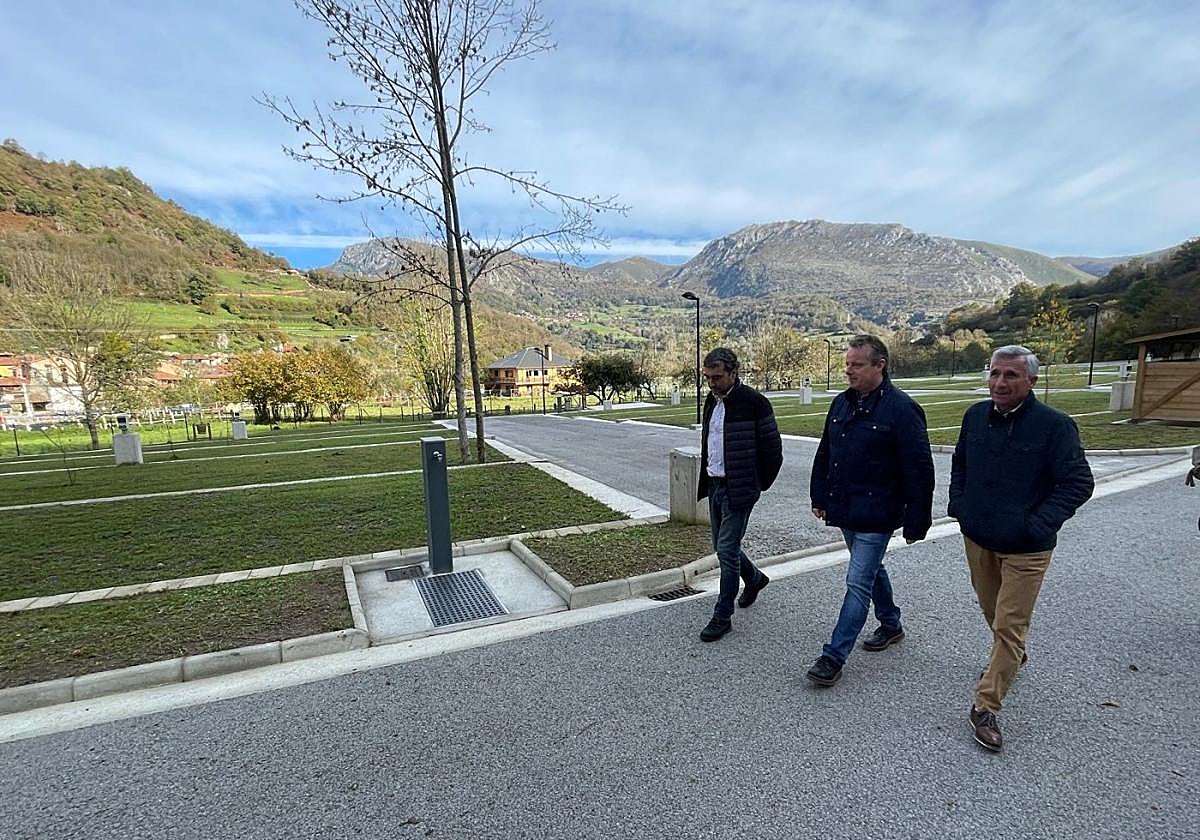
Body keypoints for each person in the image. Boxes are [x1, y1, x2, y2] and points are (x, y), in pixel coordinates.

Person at [949, 345, 1094, 752]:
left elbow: (1078, 483)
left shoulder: (1055, 426)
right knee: (991, 610)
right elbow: (960, 464)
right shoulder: (975, 416)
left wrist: (1038, 524)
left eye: (1011, 375)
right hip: (978, 537)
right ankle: (1011, 657)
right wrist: (959, 506)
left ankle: (985, 705)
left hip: (1027, 548)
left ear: (1031, 380)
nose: (1000, 382)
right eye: (995, 374)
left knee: (1011, 625)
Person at [806, 335, 934, 685]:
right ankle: (891, 623)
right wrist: (820, 496)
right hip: (845, 508)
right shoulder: (841, 404)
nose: (849, 370)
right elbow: (825, 453)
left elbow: (919, 469)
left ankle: (833, 656)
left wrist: (917, 518)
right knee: (872, 569)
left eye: (857, 364)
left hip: (878, 512)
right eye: (847, 364)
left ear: (880, 366)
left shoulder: (902, 409)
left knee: (857, 580)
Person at [696, 347, 784, 642]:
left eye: (717, 377)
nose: (712, 383)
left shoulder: (755, 403)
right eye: (707, 377)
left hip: (740, 488)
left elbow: (773, 451)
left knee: (726, 552)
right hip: (714, 484)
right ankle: (756, 579)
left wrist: (757, 484)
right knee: (725, 548)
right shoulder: (711, 401)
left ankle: (723, 616)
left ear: (735, 373)